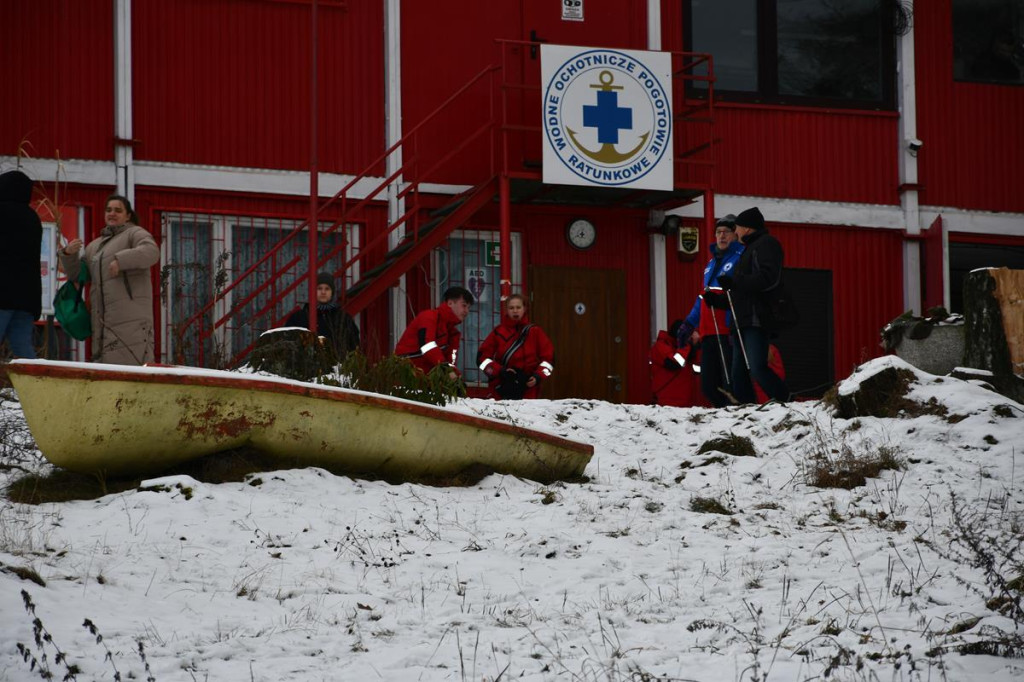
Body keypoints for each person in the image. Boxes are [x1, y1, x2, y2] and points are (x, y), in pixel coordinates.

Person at [58, 194, 160, 365]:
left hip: (131, 322)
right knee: (109, 371)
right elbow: (79, 275)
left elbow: (151, 252)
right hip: (103, 323)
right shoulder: (95, 246)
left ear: (128, 215)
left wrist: (121, 260)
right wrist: (68, 254)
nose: (112, 213)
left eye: (118, 210)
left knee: (131, 371)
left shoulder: (134, 233)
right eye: (108, 210)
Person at [707, 206, 791, 404]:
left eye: (737, 227)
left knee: (757, 367)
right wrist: (719, 301)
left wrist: (736, 282)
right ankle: (746, 408)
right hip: (741, 319)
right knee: (738, 371)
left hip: (757, 317)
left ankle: (786, 400)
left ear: (747, 228)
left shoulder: (766, 244)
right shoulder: (748, 250)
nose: (735, 232)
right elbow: (740, 292)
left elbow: (767, 278)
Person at [682, 214, 743, 407]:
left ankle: (735, 415)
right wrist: (689, 322)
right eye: (718, 232)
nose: (722, 236)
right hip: (709, 332)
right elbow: (703, 297)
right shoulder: (710, 264)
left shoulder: (741, 257)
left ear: (735, 234)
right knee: (708, 385)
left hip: (727, 330)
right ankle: (723, 413)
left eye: (726, 232)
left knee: (729, 381)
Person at [476, 293, 555, 399]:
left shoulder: (535, 332)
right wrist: (500, 371)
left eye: (518, 307)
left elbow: (549, 360)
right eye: (511, 308)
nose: (515, 310)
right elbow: (481, 359)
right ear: (507, 310)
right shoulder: (498, 332)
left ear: (524, 309)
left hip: (527, 388)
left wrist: (538, 376)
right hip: (502, 387)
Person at [0, 170, 43, 359]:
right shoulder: (33, 218)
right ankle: (37, 387)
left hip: (2, 294)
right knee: (22, 347)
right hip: (28, 297)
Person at [395, 285, 474, 378]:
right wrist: (447, 370)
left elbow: (451, 359)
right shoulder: (429, 316)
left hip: (426, 378)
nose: (466, 311)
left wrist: (454, 374)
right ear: (450, 303)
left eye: (469, 308)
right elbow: (426, 345)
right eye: (464, 305)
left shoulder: (453, 333)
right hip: (406, 372)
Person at [285, 272, 360, 360]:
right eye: (319, 288)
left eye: (327, 289)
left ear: (332, 292)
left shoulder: (343, 318)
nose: (323, 292)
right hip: (306, 367)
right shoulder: (299, 317)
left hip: (336, 367)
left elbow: (354, 345)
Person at [649, 319, 698, 407]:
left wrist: (696, 346)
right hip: (666, 404)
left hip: (686, 404)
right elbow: (675, 364)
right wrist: (684, 344)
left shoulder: (684, 349)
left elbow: (696, 369)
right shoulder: (661, 346)